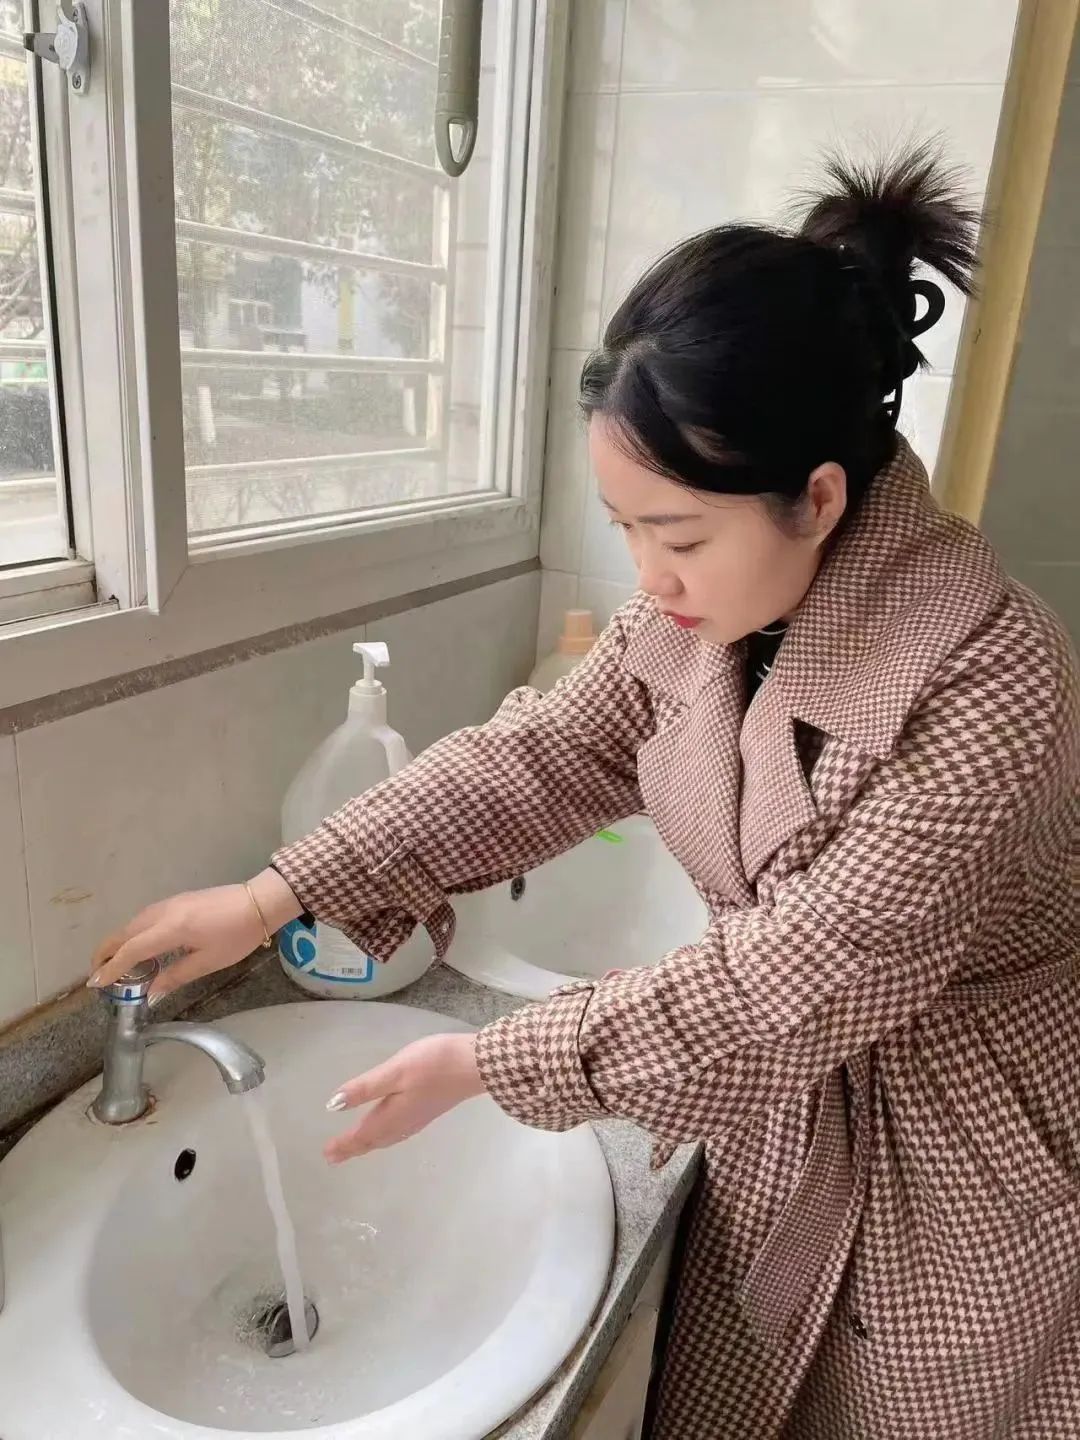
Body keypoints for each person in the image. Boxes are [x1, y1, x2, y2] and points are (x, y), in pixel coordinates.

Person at [90, 142, 1079, 1438]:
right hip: (775, 1098)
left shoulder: (992, 677)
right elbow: (541, 756)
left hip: (959, 1139)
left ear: (819, 497)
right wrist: (275, 892)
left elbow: (803, 975)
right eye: (625, 530)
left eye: (678, 536)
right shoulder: (706, 609)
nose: (648, 578)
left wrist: (493, 1060)